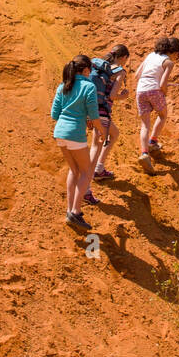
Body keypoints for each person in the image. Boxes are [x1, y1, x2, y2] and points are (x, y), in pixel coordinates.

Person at [51, 55, 105, 231]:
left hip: (60, 133)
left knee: (74, 170)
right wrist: (101, 131)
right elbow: (94, 114)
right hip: (75, 133)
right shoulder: (88, 86)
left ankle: (70, 210)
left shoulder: (63, 86)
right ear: (87, 70)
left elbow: (55, 114)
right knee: (87, 171)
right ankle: (75, 210)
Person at [132, 36, 179, 174]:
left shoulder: (150, 55)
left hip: (140, 90)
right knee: (163, 115)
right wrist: (164, 92)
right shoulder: (169, 63)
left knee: (144, 125)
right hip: (154, 90)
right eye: (178, 54)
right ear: (174, 52)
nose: (177, 57)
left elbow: (137, 75)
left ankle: (144, 153)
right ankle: (153, 142)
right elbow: (162, 85)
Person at [87, 45, 130, 193]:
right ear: (123, 57)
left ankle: (99, 168)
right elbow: (112, 96)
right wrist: (123, 96)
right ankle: (86, 186)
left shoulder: (101, 68)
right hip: (102, 111)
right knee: (95, 146)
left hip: (93, 109)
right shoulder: (120, 71)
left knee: (115, 134)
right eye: (126, 59)